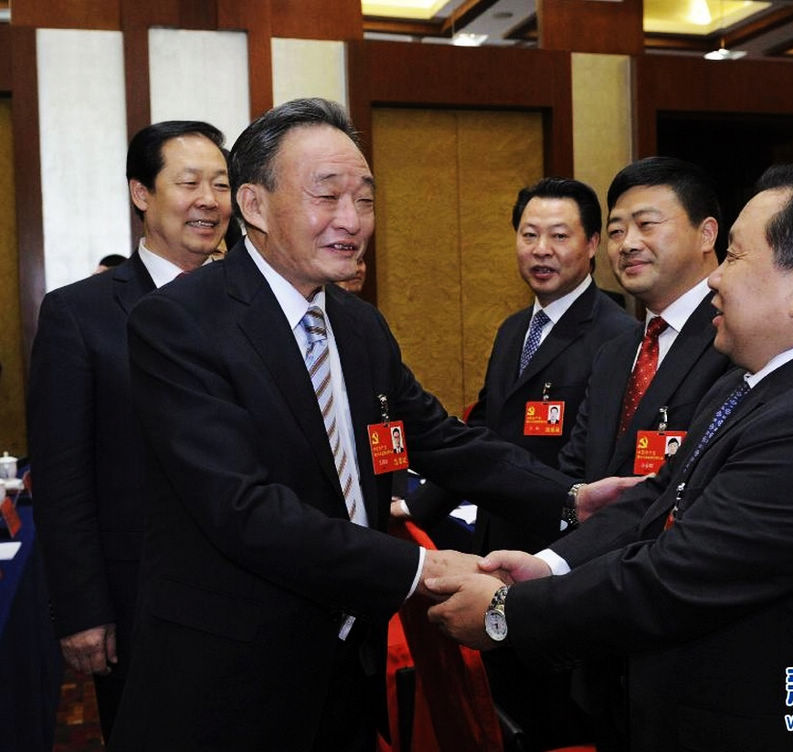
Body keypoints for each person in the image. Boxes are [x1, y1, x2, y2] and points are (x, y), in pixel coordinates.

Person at [109, 98, 634, 752]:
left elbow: (439, 438)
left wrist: (570, 498)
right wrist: (424, 567)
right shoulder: (180, 322)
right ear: (253, 204)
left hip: (344, 662)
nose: (352, 222)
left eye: (365, 199)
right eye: (327, 197)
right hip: (228, 670)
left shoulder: (359, 326)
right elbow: (244, 510)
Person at [430, 163, 793, 752]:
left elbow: (674, 576)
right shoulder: (753, 382)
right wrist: (551, 566)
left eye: (735, 257)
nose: (717, 281)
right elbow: (656, 498)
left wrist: (509, 610)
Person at [28, 120, 231, 743]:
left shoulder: (255, 305)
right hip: (141, 601)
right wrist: (83, 611)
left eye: (221, 185)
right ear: (141, 194)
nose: (209, 200)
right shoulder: (79, 314)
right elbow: (63, 477)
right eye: (189, 182)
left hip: (256, 596)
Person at [400, 177, 633, 556]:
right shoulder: (513, 330)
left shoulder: (618, 337)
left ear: (592, 244)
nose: (541, 250)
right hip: (495, 536)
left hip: (558, 547)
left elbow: (594, 461)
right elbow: (483, 431)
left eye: (559, 236)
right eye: (529, 236)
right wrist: (418, 506)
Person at [558, 156, 732, 483]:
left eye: (646, 225)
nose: (628, 244)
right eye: (616, 231)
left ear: (707, 234)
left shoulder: (736, 341)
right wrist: (573, 517)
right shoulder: (614, 354)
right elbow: (574, 476)